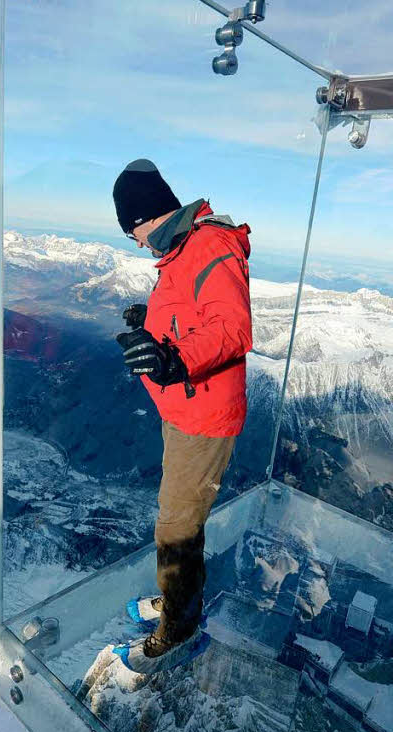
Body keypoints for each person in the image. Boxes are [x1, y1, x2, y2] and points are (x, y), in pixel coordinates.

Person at [110, 159, 252, 674]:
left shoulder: (209, 246)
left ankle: (178, 630)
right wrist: (150, 329)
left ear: (147, 217)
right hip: (185, 408)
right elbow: (190, 317)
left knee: (176, 530)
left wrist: (173, 360)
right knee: (175, 517)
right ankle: (175, 600)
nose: (138, 243)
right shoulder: (184, 248)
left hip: (203, 418)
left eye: (134, 232)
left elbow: (232, 329)